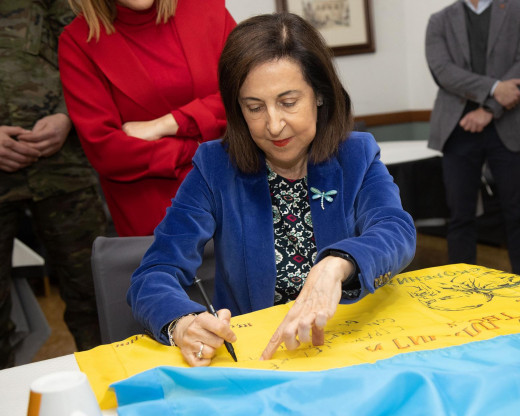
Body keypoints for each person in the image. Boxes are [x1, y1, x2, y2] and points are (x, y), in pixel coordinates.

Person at [127, 12, 417, 365]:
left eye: (288, 102)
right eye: (254, 107)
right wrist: (182, 323)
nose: (274, 125)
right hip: (260, 359)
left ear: (320, 95)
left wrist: (338, 263)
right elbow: (153, 275)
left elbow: (396, 231)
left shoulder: (356, 154)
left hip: (351, 347)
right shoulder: (215, 168)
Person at [58, 0, 235, 236]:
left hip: (234, 198)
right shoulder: (78, 42)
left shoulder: (206, 9)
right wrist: (196, 147)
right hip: (156, 221)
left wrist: (166, 125)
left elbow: (246, 96)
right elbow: (107, 151)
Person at [0, 0, 108, 368]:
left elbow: (91, 50)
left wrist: (68, 114)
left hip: (64, 165)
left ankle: (110, 391)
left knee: (95, 293)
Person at [426, 0, 520, 278]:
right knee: (460, 216)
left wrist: (489, 109)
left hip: (511, 125)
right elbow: (443, 72)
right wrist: (494, 88)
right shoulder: (439, 20)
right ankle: (464, 289)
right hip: (458, 127)